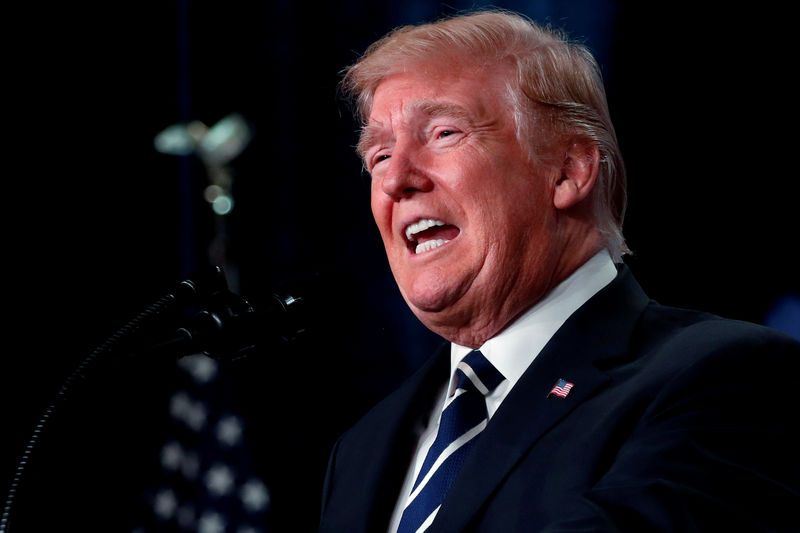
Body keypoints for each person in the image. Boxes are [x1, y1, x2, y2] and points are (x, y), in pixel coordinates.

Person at [318, 10, 800, 533]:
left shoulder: (724, 377)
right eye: (379, 155)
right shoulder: (363, 449)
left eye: (443, 133)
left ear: (569, 171)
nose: (394, 180)